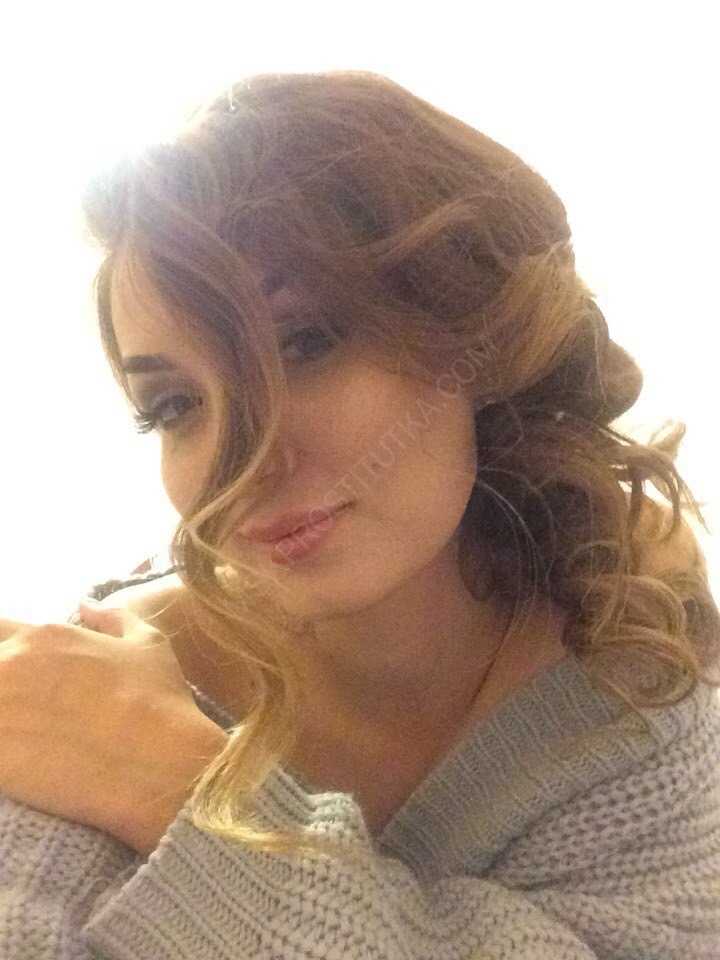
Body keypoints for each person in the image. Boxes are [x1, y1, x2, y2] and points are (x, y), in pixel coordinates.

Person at [1, 69, 719, 959]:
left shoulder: (631, 675)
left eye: (305, 345)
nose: (243, 465)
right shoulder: (82, 692)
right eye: (175, 406)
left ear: (471, 332)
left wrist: (180, 791)